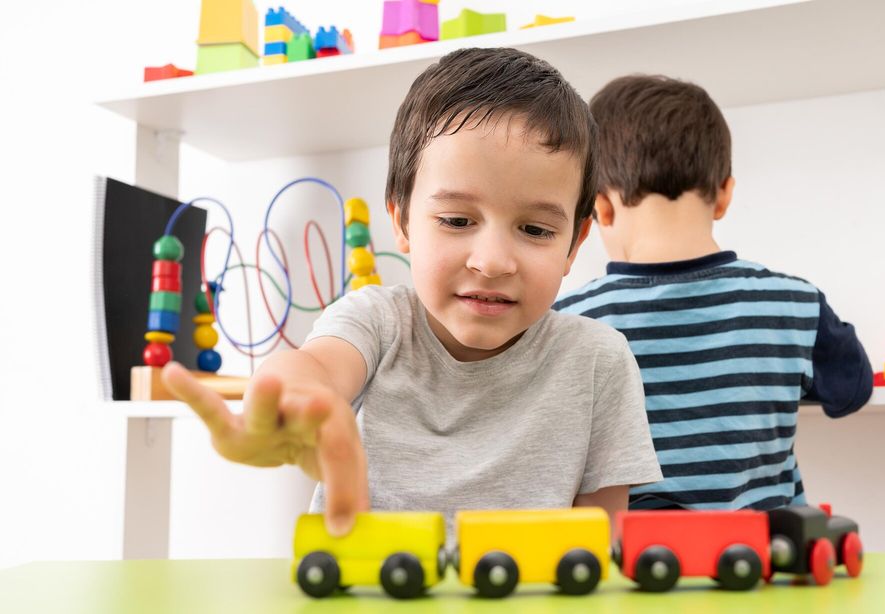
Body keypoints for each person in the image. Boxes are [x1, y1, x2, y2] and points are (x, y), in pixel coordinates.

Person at [162, 48, 662, 537]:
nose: (491, 261)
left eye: (534, 230)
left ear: (574, 243)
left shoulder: (599, 360)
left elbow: (599, 546)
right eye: (457, 220)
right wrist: (286, 400)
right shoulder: (377, 321)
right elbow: (316, 367)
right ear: (401, 220)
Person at [555, 75, 872, 510]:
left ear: (600, 207)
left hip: (631, 561)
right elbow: (850, 389)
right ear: (724, 196)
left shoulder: (569, 319)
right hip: (765, 556)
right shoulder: (794, 304)